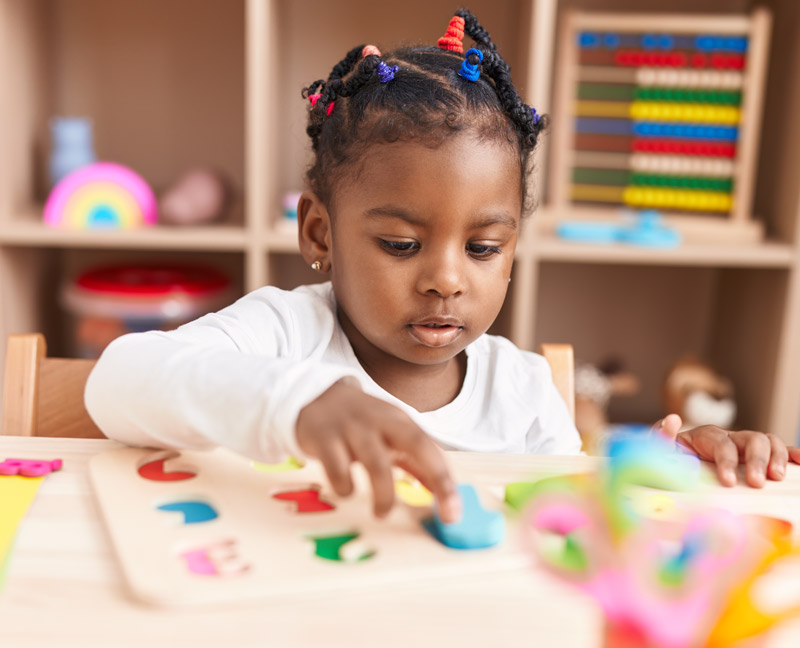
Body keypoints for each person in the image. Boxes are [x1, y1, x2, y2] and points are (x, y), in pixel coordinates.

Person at [84, 9, 799, 524]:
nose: (447, 280)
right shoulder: (285, 334)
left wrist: (666, 469)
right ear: (320, 231)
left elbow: (567, 517)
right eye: (401, 244)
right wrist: (295, 404)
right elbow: (118, 379)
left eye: (483, 248)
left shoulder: (522, 391)